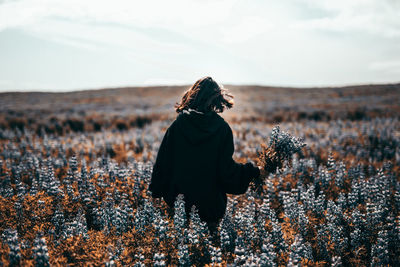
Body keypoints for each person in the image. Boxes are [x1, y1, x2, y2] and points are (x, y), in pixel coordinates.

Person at [149, 76, 267, 235]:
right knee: (209, 253)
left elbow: (163, 163)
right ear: (217, 99)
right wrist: (252, 171)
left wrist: (156, 191)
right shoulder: (222, 128)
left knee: (183, 250)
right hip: (209, 206)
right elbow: (226, 172)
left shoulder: (178, 125)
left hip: (180, 207)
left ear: (193, 96)